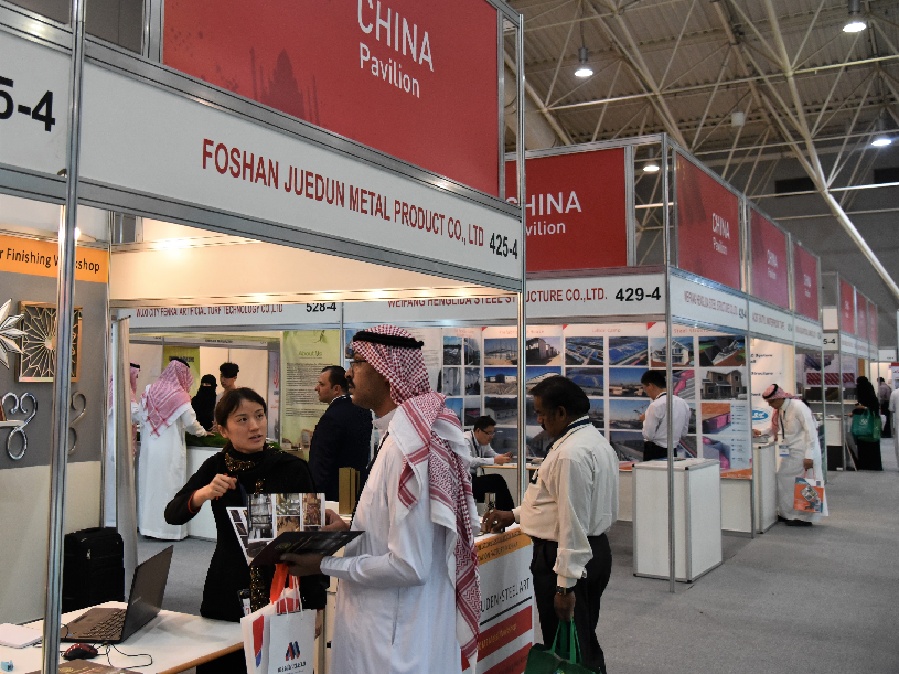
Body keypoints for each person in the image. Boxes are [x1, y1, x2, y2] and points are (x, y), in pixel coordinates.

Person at [282, 325, 480, 674]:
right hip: (398, 629)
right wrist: (348, 530)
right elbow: (397, 529)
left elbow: (408, 565)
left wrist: (323, 564)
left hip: (393, 641)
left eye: (357, 362)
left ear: (387, 370)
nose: (348, 373)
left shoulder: (409, 447)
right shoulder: (401, 434)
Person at [164, 387, 326, 674]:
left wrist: (315, 604)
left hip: (282, 590)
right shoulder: (215, 467)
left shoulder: (291, 469)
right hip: (227, 587)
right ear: (223, 430)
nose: (254, 426)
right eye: (242, 419)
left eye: (259, 416)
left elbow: (308, 543)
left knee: (281, 664)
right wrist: (204, 493)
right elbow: (172, 514)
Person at [485, 375, 618, 674]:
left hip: (567, 557)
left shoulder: (570, 454)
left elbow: (573, 520)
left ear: (561, 412)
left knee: (570, 651)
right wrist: (515, 515)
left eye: (541, 413)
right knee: (580, 640)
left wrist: (564, 586)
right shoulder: (592, 441)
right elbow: (555, 503)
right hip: (591, 552)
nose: (539, 421)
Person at [137, 358, 207, 539]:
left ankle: (148, 528)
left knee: (150, 487)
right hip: (169, 450)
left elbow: (141, 415)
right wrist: (203, 432)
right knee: (170, 488)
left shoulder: (150, 390)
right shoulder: (179, 396)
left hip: (150, 448)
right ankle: (167, 531)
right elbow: (190, 423)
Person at [755, 384, 826, 525]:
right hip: (790, 453)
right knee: (785, 481)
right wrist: (761, 432)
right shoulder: (781, 410)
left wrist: (809, 456)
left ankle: (804, 518)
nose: (769, 405)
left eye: (771, 401)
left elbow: (811, 431)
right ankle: (787, 513)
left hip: (804, 452)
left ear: (779, 398)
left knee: (806, 484)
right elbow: (776, 428)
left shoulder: (799, 407)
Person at [307, 365, 373, 501]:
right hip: (356, 492)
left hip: (332, 497)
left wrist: (314, 498)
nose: (316, 388)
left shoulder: (332, 418)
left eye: (321, 384)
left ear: (336, 389)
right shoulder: (364, 412)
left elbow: (321, 464)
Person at [104, 362, 141, 527]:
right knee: (119, 482)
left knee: (112, 481)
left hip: (111, 440)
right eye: (136, 375)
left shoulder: (112, 387)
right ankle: (116, 519)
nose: (136, 378)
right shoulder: (124, 390)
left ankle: (112, 518)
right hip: (119, 441)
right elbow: (134, 414)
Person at [464, 415, 515, 511]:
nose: (491, 436)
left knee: (497, 482)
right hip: (463, 482)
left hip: (472, 479)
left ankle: (506, 513)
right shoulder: (465, 440)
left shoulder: (483, 442)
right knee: (496, 481)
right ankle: (508, 513)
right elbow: (468, 461)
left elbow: (493, 455)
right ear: (478, 431)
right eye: (488, 433)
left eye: (493, 433)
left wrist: (504, 457)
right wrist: (495, 460)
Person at [639, 369, 691, 461]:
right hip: (673, 450)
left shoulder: (655, 405)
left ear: (650, 386)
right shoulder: (683, 403)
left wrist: (645, 420)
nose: (646, 392)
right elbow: (683, 433)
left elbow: (648, 435)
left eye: (644, 388)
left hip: (654, 451)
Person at [852, 376, 882, 470]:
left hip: (865, 425)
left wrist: (860, 408)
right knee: (873, 445)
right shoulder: (870, 392)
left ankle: (865, 464)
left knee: (863, 445)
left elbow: (866, 407)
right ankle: (874, 465)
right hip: (872, 425)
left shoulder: (863, 392)